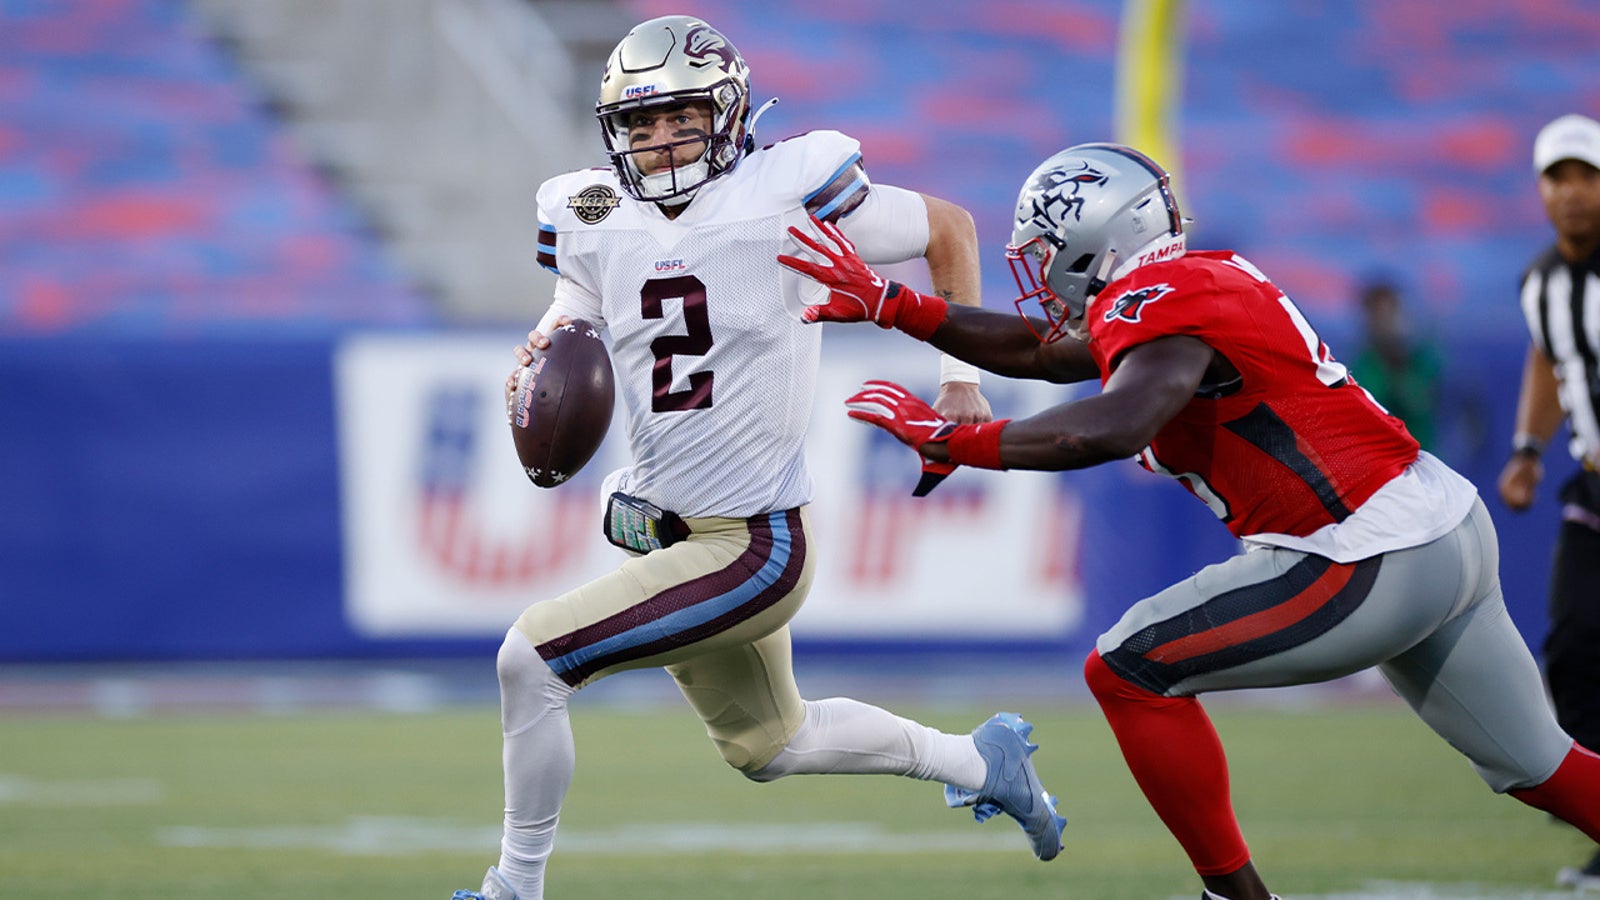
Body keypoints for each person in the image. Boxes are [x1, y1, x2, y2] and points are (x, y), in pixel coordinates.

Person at [779, 141, 1600, 900]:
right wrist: (897, 306)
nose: (1037, 268)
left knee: (1129, 668)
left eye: (1043, 247)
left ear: (1095, 237)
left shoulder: (1162, 299)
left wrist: (962, 441)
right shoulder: (1190, 282)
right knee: (1544, 767)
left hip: (1364, 548)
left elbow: (1111, 423)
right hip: (1439, 525)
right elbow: (1045, 353)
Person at [450, 16, 1065, 900]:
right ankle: (982, 762)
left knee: (532, 658)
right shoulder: (586, 205)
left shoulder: (788, 186)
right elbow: (577, 294)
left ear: (731, 115)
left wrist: (959, 379)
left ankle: (514, 888)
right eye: (639, 124)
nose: (659, 140)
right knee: (772, 745)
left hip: (755, 543)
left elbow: (949, 228)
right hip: (666, 531)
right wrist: (544, 343)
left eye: (681, 117)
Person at [1496, 111, 1600, 892]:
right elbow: (1548, 355)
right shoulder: (1543, 282)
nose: (1571, 194)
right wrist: (1528, 449)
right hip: (1590, 486)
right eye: (1558, 178)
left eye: (1586, 177)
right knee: (1571, 649)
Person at [1348, 278, 1442, 451]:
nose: (1386, 324)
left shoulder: (1424, 360)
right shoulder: (1361, 369)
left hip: (1427, 460)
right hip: (1385, 463)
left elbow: (1422, 402)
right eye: (1378, 316)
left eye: (1390, 314)